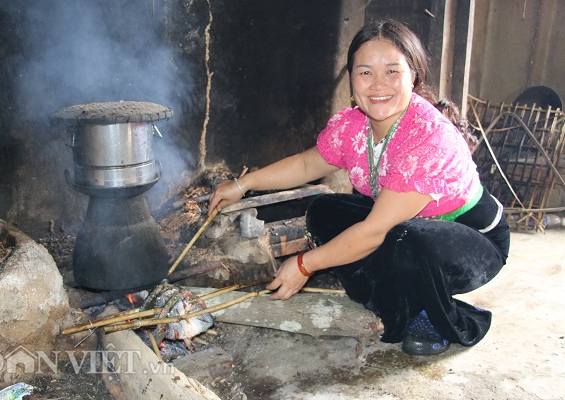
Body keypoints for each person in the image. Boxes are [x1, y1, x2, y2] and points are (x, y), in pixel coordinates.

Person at [208, 19, 510, 356]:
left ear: (415, 76)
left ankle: (437, 315)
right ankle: (399, 295)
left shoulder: (428, 136)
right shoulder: (355, 125)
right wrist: (243, 183)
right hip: (403, 227)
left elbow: (372, 232)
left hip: (472, 240)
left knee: (405, 242)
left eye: (392, 71)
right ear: (351, 79)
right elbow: (308, 164)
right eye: (365, 72)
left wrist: (306, 264)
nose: (378, 84)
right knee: (325, 210)